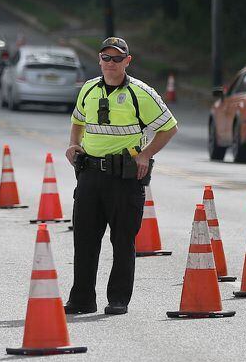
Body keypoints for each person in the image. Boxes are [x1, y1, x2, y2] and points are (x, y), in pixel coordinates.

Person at [64, 37, 178, 316]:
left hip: (124, 179)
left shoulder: (141, 93)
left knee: (123, 241)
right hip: (90, 174)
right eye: (106, 58)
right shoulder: (89, 89)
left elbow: (169, 128)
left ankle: (118, 299)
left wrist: (145, 154)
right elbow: (78, 120)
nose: (111, 63)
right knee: (85, 239)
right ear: (99, 60)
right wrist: (73, 144)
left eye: (117, 58)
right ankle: (81, 299)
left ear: (128, 61)